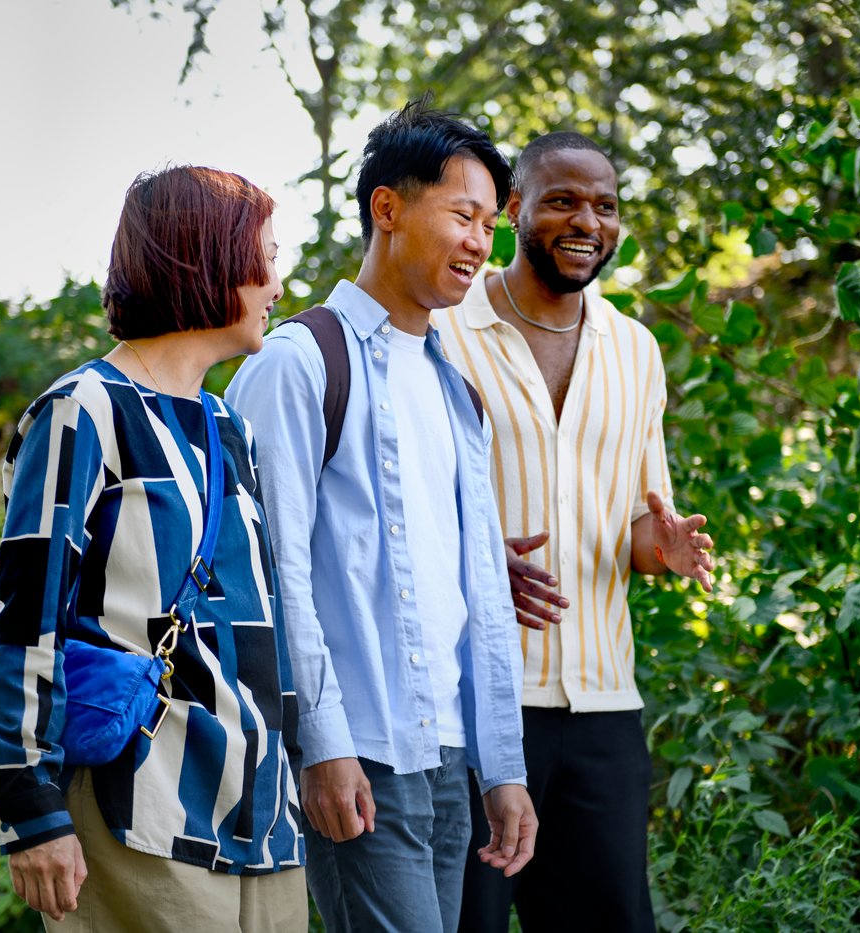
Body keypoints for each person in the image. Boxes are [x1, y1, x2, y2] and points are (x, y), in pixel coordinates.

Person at [225, 100, 537, 933]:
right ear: (388, 209)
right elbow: (271, 572)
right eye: (464, 216)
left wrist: (501, 765)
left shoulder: (455, 388)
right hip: (357, 752)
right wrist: (320, 744)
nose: (481, 243)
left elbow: (477, 594)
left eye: (490, 228)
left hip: (444, 758)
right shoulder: (297, 364)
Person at [0, 165, 307, 933]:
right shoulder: (81, 410)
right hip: (141, 810)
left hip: (261, 815)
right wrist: (31, 810)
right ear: (210, 256)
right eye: (268, 254)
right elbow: (25, 619)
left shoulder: (230, 427)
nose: (279, 284)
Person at [435, 133, 716, 933]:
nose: (585, 220)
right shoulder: (444, 330)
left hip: (603, 708)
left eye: (605, 205)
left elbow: (633, 518)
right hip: (472, 706)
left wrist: (660, 548)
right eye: (562, 200)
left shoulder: (636, 349)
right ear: (514, 209)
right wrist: (478, 564)